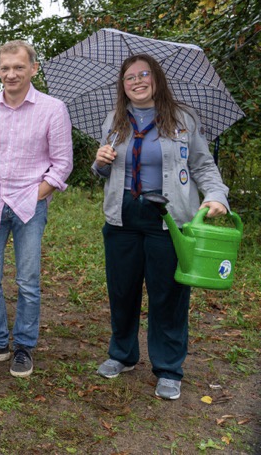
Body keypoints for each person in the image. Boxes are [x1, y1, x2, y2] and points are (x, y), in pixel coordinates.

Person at [92, 54, 229, 400]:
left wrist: (216, 196)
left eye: (144, 75)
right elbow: (103, 172)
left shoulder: (183, 118)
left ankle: (168, 368)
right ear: (123, 86)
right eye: (129, 77)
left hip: (169, 218)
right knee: (122, 290)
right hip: (122, 216)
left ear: (156, 79)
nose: (137, 81)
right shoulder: (114, 119)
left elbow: (203, 165)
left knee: (168, 294)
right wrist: (100, 162)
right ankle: (122, 354)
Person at [0, 40, 73, 379]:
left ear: (33, 69)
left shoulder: (52, 109)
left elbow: (62, 164)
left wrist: (33, 196)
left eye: (19, 67)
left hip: (30, 207)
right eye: (5, 68)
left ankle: (23, 346)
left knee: (28, 280)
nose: (11, 74)